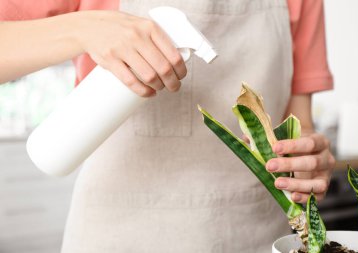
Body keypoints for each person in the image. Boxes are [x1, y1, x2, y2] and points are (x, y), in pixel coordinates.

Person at [0, 0, 335, 252]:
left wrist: (306, 158)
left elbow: (298, 122)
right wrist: (83, 28)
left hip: (258, 237)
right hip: (123, 235)